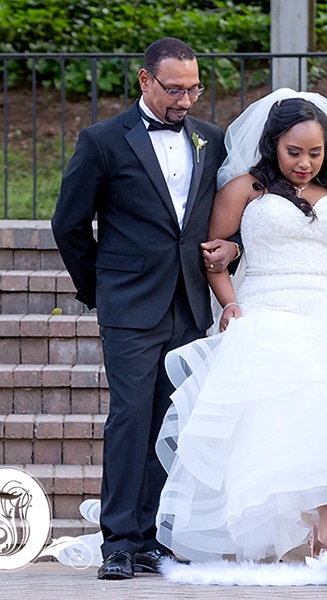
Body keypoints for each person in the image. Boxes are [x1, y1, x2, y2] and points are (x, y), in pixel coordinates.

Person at [154, 88, 327, 564]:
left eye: (315, 152)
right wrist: (230, 303)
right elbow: (213, 255)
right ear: (273, 145)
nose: (304, 163)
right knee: (289, 402)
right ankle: (316, 522)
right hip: (265, 312)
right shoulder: (245, 188)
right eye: (294, 152)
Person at [51, 37, 240, 580]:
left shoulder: (212, 140)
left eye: (194, 89)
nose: (185, 100)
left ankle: (155, 536)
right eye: (174, 89)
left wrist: (234, 249)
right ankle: (119, 542)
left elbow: (228, 218)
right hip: (129, 306)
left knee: (170, 422)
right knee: (131, 419)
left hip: (187, 299)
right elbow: (69, 225)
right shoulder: (103, 141)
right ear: (144, 80)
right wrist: (101, 290)